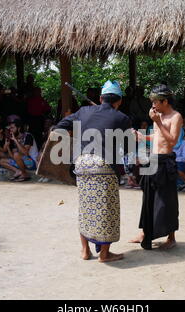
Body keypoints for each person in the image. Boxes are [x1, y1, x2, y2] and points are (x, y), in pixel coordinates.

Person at [55, 80, 131, 262]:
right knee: (108, 210)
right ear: (119, 100)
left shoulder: (83, 112)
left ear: (100, 98)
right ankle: (104, 254)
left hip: (81, 164)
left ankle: (85, 250)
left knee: (86, 208)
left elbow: (60, 126)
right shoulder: (122, 118)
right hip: (103, 165)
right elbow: (127, 147)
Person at [129, 85, 183, 250]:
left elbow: (172, 141)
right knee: (148, 199)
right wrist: (143, 136)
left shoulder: (176, 117)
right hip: (152, 159)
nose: (152, 105)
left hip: (165, 162)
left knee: (167, 201)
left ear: (165, 101)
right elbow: (158, 137)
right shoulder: (158, 116)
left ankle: (171, 237)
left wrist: (157, 122)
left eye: (155, 102)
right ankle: (146, 233)